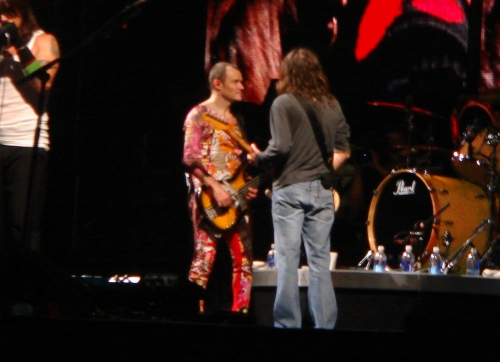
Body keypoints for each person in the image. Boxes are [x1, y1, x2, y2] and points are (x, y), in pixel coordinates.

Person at [248, 48, 350, 329]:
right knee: (319, 263)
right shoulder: (332, 104)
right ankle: (325, 326)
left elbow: (280, 147)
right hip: (321, 192)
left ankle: (287, 325)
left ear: (287, 73)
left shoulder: (283, 104)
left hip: (290, 190)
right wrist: (325, 169)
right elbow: (344, 149)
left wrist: (257, 157)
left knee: (287, 261)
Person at [182, 62, 258, 313]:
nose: (242, 86)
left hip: (237, 201)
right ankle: (195, 313)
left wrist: (247, 186)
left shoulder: (238, 121)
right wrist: (213, 186)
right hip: (209, 200)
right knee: (205, 258)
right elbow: (190, 157)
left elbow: (238, 163)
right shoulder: (198, 115)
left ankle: (241, 314)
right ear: (218, 84)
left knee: (244, 261)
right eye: (235, 82)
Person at [0, 0, 60, 251]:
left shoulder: (42, 41)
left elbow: (42, 82)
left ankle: (24, 284)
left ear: (21, 14)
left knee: (21, 225)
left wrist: (19, 48)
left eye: (6, 13)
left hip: (25, 142)